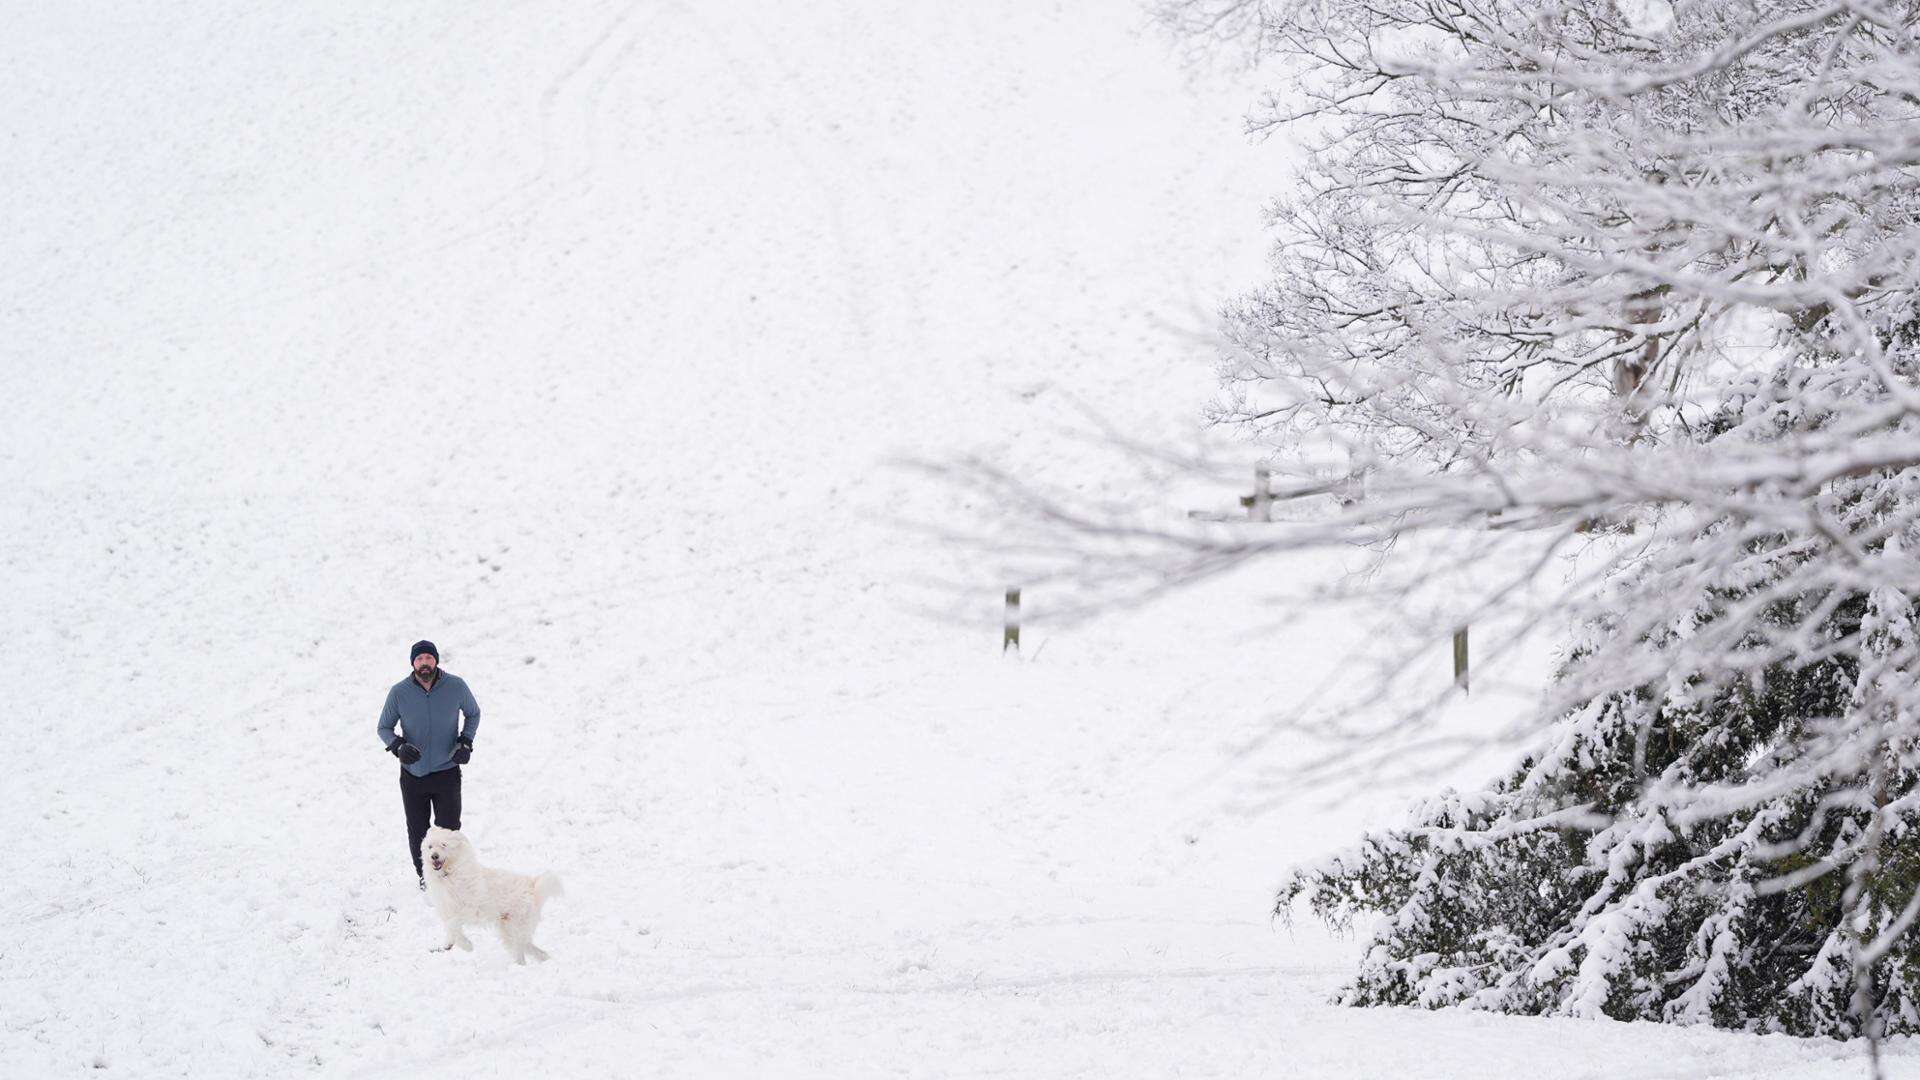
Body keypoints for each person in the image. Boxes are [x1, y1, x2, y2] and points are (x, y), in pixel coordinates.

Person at [377, 640, 481, 889]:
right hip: (414, 774)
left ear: (436, 661)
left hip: (447, 771)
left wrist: (465, 742)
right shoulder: (399, 692)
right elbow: (384, 727)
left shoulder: (455, 686)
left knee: (449, 830)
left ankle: (451, 874)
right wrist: (398, 747)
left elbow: (473, 713)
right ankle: (425, 876)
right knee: (418, 830)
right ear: (413, 663)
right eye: (419, 659)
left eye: (429, 658)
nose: (424, 663)